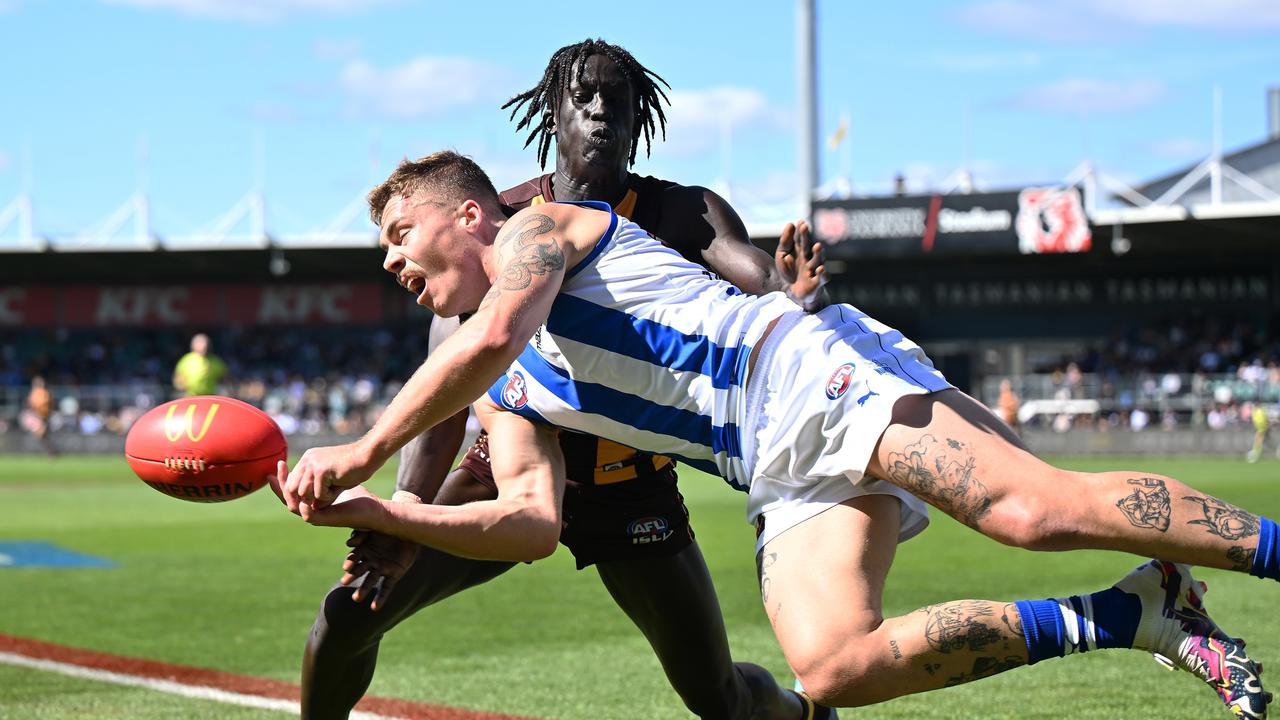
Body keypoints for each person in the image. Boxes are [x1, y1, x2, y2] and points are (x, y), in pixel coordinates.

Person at [276, 152, 1277, 718]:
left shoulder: (541, 230)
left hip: (803, 375)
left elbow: (492, 332)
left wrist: (359, 451)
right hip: (770, 455)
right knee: (835, 666)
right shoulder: (511, 388)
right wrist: (382, 509)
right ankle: (1134, 612)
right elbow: (532, 523)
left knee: (1029, 511)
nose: (390, 262)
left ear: (466, 212)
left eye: (399, 236)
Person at [300, 40, 833, 720]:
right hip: (508, 465)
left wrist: (794, 292)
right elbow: (449, 372)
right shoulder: (505, 220)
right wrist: (404, 509)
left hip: (630, 482)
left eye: (620, 98)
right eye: (584, 97)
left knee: (718, 698)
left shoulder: (682, 211)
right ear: (553, 114)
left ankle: (806, 713)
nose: (602, 111)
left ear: (643, 117)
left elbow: (756, 278)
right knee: (348, 615)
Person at [172, 333, 226, 398]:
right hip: (191, 397)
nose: (203, 346)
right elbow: (178, 379)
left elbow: (224, 378)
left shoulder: (216, 361)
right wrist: (182, 386)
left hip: (210, 397)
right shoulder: (186, 361)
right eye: (199, 343)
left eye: (205, 344)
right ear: (193, 345)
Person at [22, 375, 57, 457]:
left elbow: (46, 403)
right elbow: (31, 404)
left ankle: (52, 452)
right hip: (38, 416)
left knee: (42, 435)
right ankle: (52, 452)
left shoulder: (43, 392)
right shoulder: (35, 393)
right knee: (42, 436)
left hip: (43, 416)